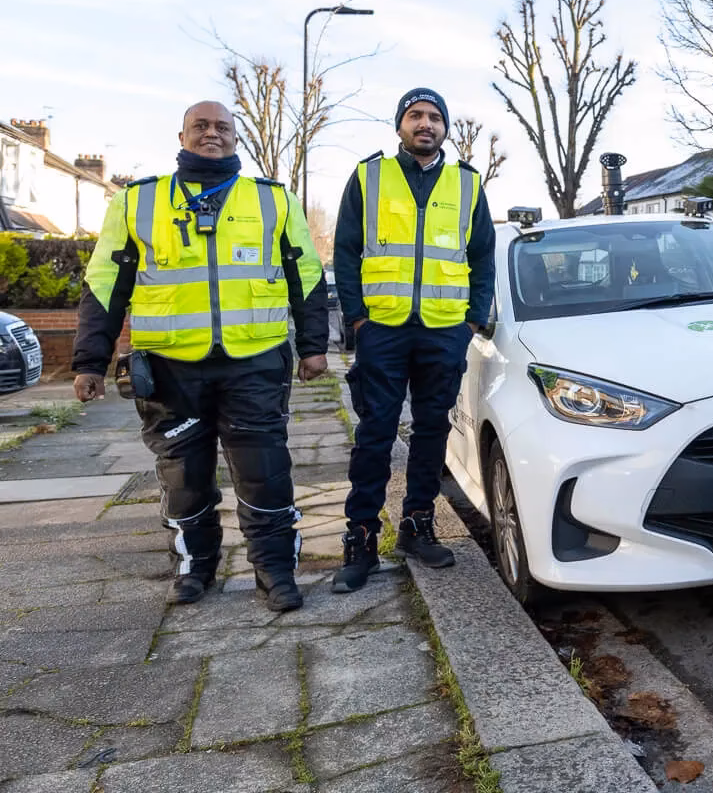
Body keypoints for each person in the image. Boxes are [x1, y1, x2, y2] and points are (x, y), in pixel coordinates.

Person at [72, 100, 329, 612]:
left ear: (236, 138)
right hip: (170, 367)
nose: (212, 133)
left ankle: (275, 571)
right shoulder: (138, 201)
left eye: (222, 127)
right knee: (184, 476)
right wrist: (88, 360)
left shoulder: (274, 200)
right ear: (183, 135)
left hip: (254, 360)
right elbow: (105, 283)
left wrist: (314, 346)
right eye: (201, 126)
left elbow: (308, 276)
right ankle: (194, 568)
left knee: (265, 472)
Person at [330, 87, 495, 593]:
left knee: (432, 433)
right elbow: (346, 249)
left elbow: (484, 254)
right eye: (415, 116)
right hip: (383, 329)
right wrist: (356, 319)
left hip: (444, 331)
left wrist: (471, 318)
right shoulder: (369, 176)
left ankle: (417, 526)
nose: (425, 124)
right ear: (400, 124)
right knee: (375, 433)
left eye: (434, 117)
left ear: (445, 127)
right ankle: (359, 540)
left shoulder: (467, 183)